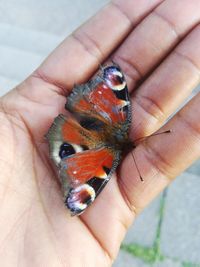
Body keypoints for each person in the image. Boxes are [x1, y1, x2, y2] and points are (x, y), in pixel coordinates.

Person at [0, 0, 199, 266]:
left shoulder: (121, 120)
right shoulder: (110, 159)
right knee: (97, 162)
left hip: (89, 111)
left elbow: (116, 85)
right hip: (81, 134)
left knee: (113, 108)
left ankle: (73, 123)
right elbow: (115, 79)